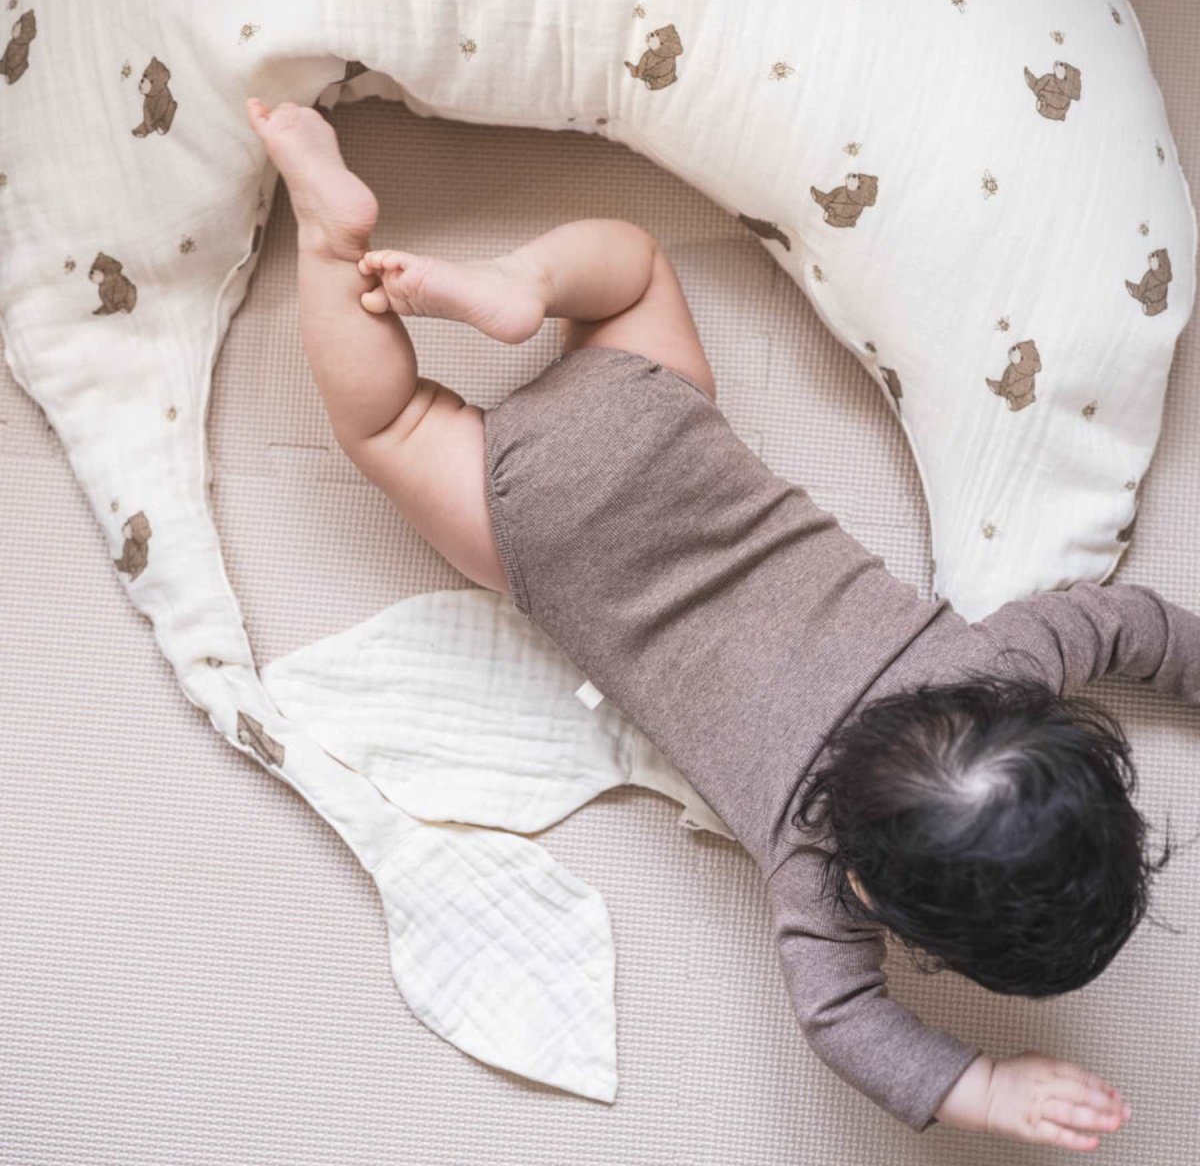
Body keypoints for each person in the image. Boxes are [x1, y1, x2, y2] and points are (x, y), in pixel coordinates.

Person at [245, 97, 1200, 1151]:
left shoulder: (1000, 655)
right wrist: (977, 1085)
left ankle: (522, 285)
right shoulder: (816, 865)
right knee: (388, 422)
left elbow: (1127, 623)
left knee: (636, 267)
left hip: (654, 416)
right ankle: (330, 237)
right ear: (875, 892)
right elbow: (843, 1023)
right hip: (537, 530)